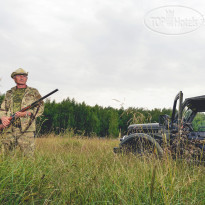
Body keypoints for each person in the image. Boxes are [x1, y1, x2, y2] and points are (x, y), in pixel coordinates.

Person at [0, 68, 44, 156]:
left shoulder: (34, 92)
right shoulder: (9, 93)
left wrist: (27, 113)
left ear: (26, 78)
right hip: (9, 129)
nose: (22, 77)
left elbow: (40, 107)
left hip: (26, 129)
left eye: (24, 76)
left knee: (28, 157)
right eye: (19, 76)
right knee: (6, 156)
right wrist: (3, 118)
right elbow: (2, 109)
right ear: (14, 78)